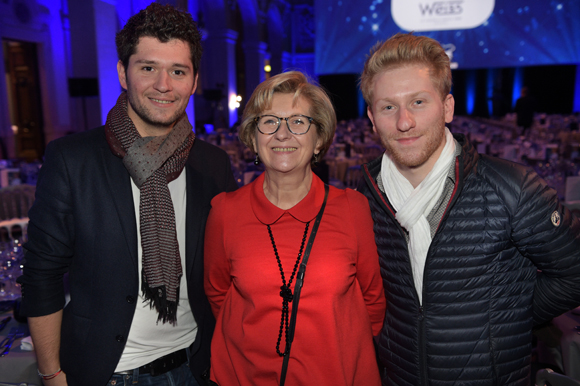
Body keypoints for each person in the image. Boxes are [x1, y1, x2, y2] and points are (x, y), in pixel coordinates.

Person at [18, 4, 237, 386]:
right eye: (148, 67)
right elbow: (41, 275)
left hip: (197, 366)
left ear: (194, 80)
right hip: (108, 373)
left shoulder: (213, 164)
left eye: (178, 71)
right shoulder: (74, 159)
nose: (163, 85)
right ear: (123, 72)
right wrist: (51, 373)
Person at [357, 33, 580, 386]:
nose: (403, 122)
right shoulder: (362, 195)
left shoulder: (512, 187)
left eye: (418, 102)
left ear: (447, 107)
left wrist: (508, 316)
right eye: (388, 107)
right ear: (371, 117)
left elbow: (575, 272)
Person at [204, 71, 386, 386]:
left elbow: (372, 300)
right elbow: (218, 293)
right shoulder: (224, 211)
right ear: (253, 137)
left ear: (319, 140)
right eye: (270, 121)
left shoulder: (353, 210)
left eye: (298, 122)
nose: (282, 134)